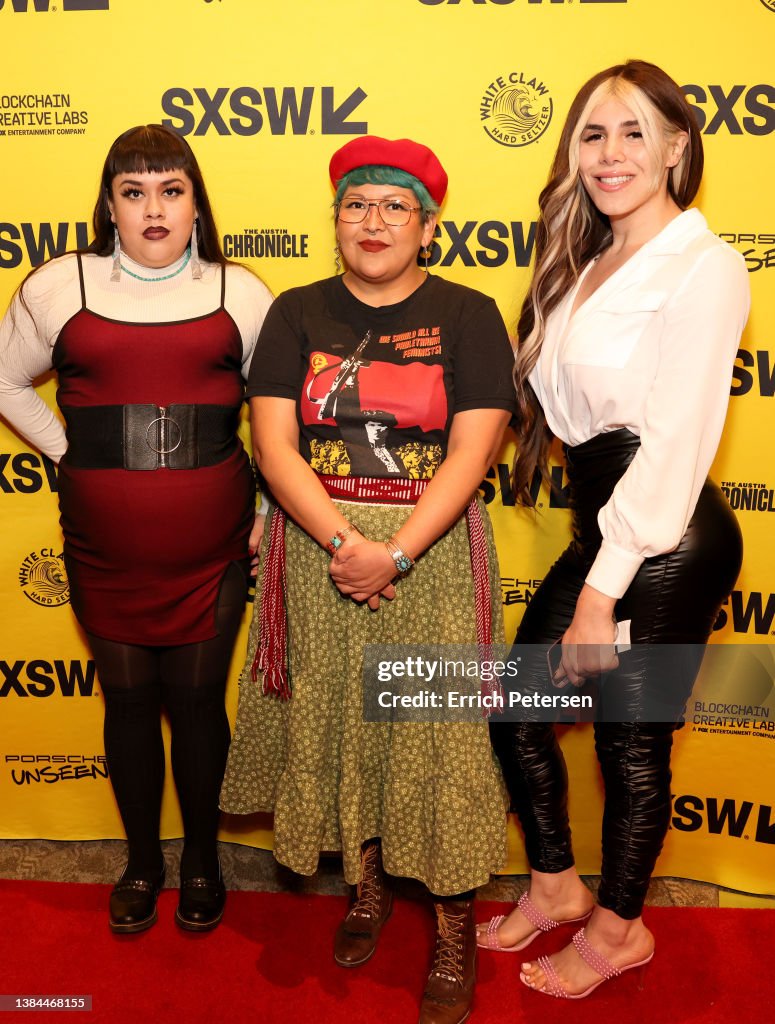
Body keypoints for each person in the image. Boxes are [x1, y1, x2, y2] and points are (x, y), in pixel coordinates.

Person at [220, 136, 515, 1024]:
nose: (372, 221)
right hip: (316, 555)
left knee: (440, 733)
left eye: (393, 206)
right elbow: (273, 444)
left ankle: (455, 920)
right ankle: (368, 884)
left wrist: (394, 552)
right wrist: (348, 542)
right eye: (355, 205)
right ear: (336, 220)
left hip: (428, 555)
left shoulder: (468, 313)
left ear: (428, 226)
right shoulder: (297, 313)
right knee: (344, 717)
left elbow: (474, 448)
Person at [480, 61, 750, 998]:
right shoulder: (582, 262)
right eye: (592, 134)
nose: (609, 154)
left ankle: (619, 929)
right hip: (606, 523)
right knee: (517, 713)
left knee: (630, 746)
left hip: (665, 534)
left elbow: (672, 442)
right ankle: (555, 886)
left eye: (634, 132)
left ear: (678, 145)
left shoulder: (705, 266)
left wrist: (599, 596)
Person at [0, 124, 273, 934]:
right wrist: (71, 453)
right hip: (104, 546)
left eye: (171, 189)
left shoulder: (242, 293)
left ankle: (199, 860)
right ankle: (142, 861)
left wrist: (265, 512)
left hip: (213, 546)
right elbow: (8, 384)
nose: (153, 208)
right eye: (134, 191)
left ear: (195, 202)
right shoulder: (57, 285)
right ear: (109, 205)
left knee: (194, 702)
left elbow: (277, 421)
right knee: (126, 701)